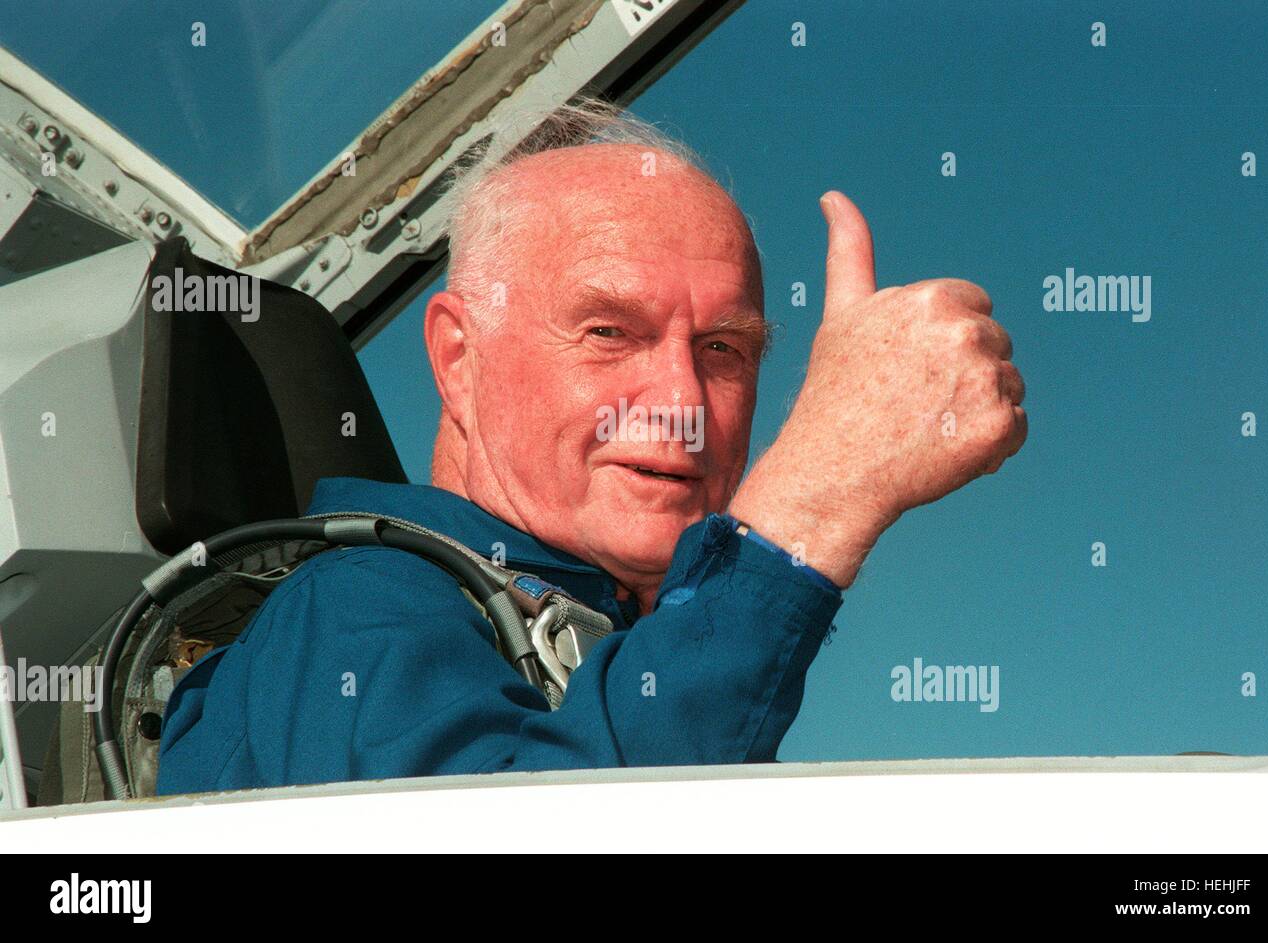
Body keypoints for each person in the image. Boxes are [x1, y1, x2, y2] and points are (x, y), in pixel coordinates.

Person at [156, 100, 1025, 793]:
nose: (683, 403)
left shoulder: (610, 657)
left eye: (724, 348)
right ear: (459, 360)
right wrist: (816, 496)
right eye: (610, 331)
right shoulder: (354, 610)